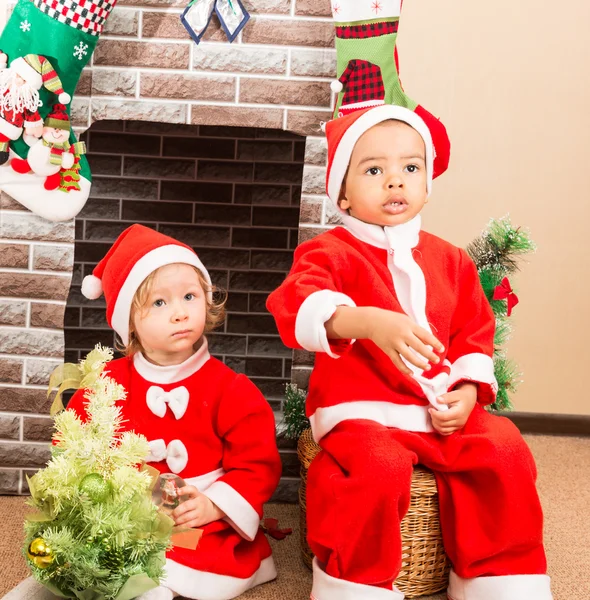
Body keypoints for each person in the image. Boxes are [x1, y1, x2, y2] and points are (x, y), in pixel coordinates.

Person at [266, 105, 552, 600]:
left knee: (504, 448)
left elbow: (474, 330)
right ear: (344, 194)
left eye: (410, 168)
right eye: (374, 170)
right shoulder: (330, 251)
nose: (394, 182)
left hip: (437, 404)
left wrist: (466, 389)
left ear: (426, 182)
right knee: (374, 470)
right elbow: (297, 304)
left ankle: (500, 578)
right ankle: (358, 584)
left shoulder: (451, 260)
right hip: (363, 410)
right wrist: (368, 322)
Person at [5, 224, 282, 600]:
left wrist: (214, 506)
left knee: (160, 569)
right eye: (159, 303)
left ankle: (148, 588)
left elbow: (256, 465)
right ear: (129, 321)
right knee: (75, 559)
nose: (180, 313)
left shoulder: (231, 389)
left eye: (189, 295)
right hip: (118, 515)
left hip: (193, 521)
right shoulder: (106, 382)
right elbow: (72, 443)